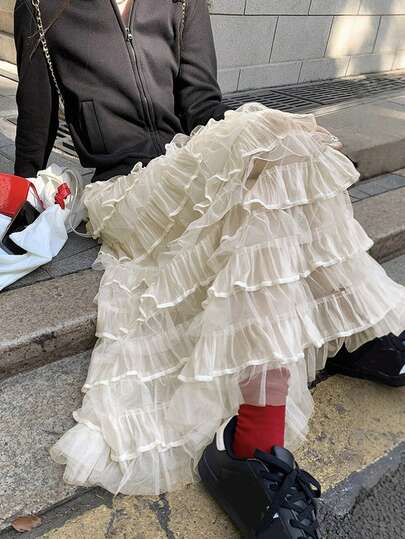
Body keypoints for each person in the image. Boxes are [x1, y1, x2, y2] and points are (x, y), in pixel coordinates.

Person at [14, 1, 405, 537]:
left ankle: (268, 422)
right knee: (269, 137)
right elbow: (34, 124)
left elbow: (202, 103)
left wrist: (233, 166)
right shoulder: (41, 5)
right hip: (124, 192)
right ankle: (292, 400)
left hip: (183, 168)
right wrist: (22, 205)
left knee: (272, 158)